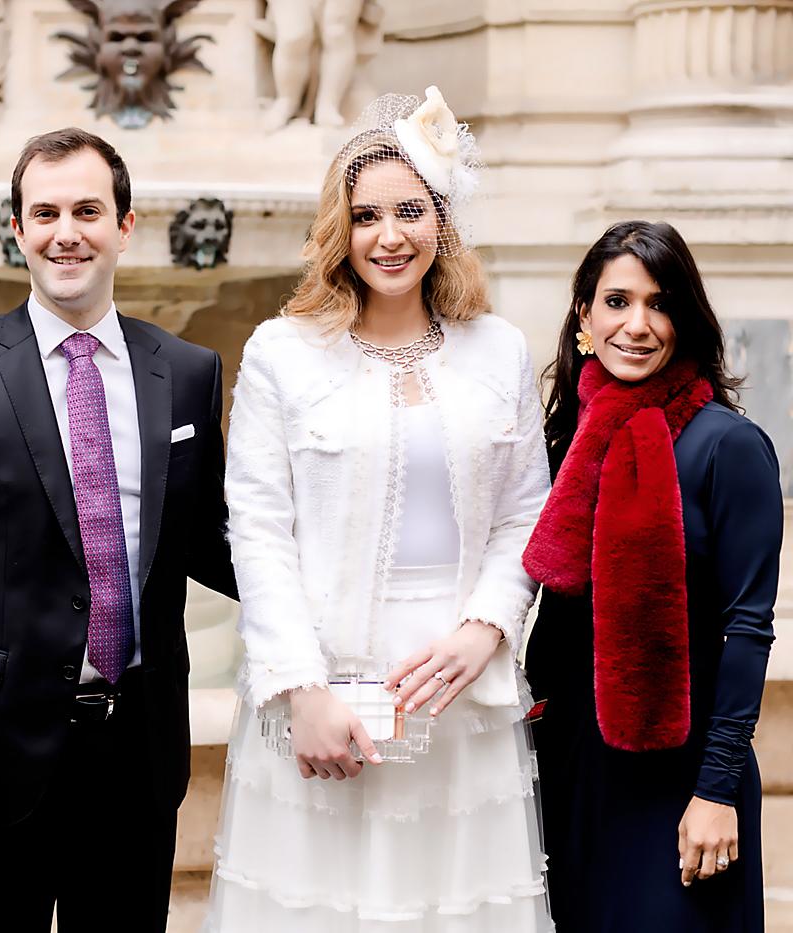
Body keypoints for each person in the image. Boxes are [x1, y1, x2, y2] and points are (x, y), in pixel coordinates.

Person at [203, 88, 552, 930]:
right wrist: (301, 688)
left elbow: (525, 515)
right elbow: (256, 529)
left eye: (409, 211)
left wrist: (486, 628)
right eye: (366, 216)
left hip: (457, 690)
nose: (389, 235)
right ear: (339, 229)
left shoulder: (498, 349)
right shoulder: (283, 353)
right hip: (324, 688)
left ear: (442, 220)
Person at [0, 127, 237, 932]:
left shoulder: (185, 373)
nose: (65, 231)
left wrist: (342, 587)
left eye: (87, 209)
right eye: (44, 212)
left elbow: (212, 542)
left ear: (125, 225)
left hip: (138, 753)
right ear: (18, 229)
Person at [523, 220, 781, 932]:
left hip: (684, 775)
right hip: (573, 768)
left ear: (687, 319)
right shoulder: (567, 444)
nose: (637, 324)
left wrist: (716, 789)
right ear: (584, 315)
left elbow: (749, 628)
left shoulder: (728, 446)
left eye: (660, 303)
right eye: (617, 301)